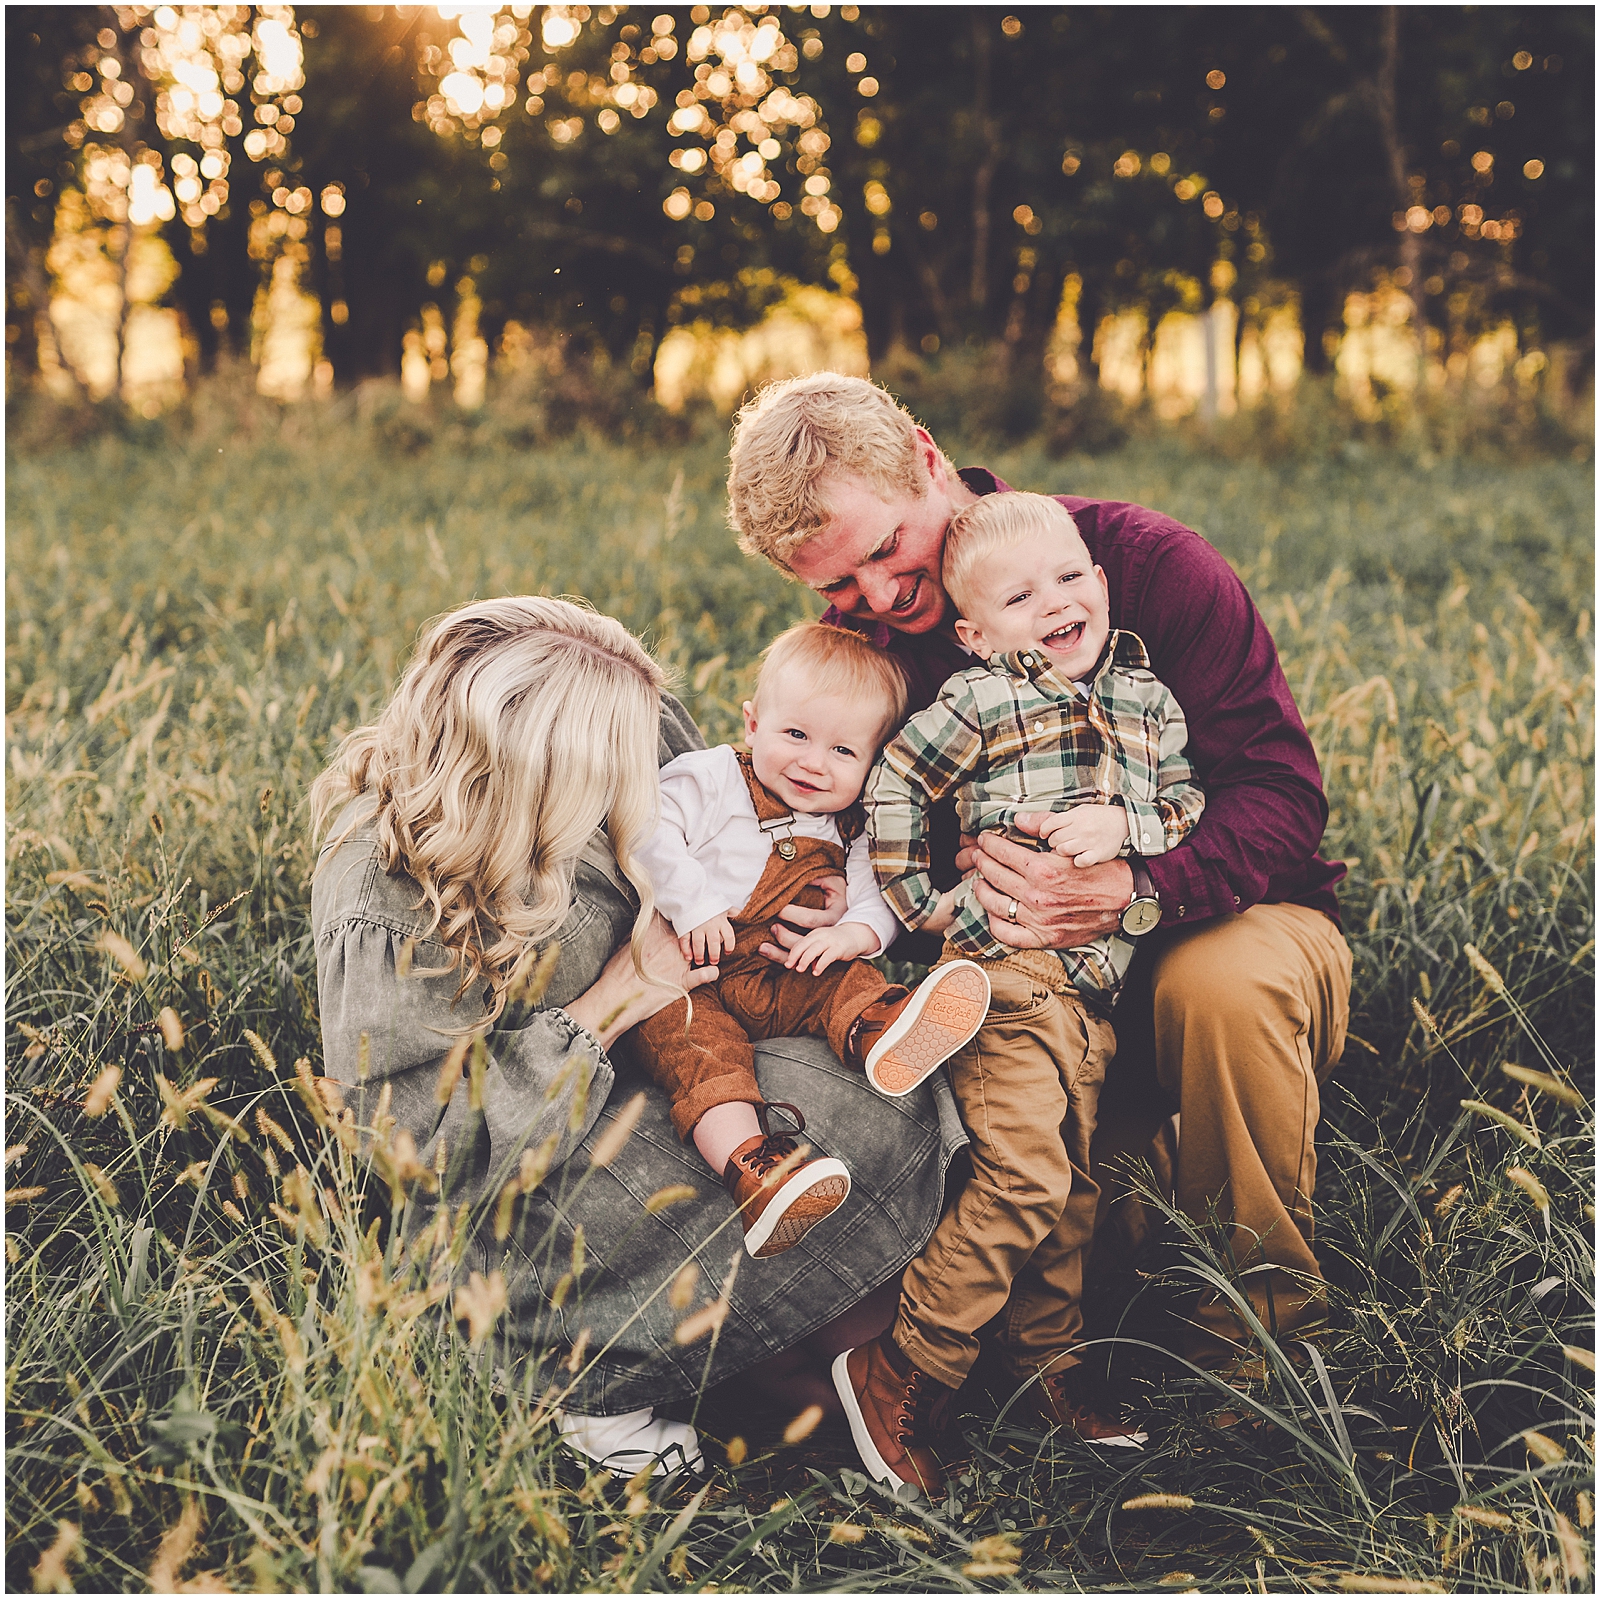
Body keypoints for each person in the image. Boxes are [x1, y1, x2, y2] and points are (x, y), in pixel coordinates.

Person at [725, 373, 1353, 1413]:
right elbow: (850, 822)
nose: (879, 599)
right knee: (1053, 1194)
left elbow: (1282, 798)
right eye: (838, 589)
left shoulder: (1136, 567)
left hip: (1231, 924)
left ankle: (1261, 1351)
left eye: (884, 550)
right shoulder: (874, 666)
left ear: (926, 460)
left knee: (1218, 988)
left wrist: (1132, 884)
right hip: (1030, 985)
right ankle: (1087, 1284)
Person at [309, 596, 967, 1478]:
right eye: (613, 769)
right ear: (525, 767)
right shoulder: (391, 892)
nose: (644, 775)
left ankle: (812, 1337)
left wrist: (795, 885)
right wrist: (620, 992)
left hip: (678, 1051)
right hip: (533, 1176)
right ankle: (589, 1379)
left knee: (888, 1084)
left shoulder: (635, 731)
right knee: (824, 1133)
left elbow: (738, 814)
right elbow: (420, 1146)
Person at [833, 492, 1204, 1494]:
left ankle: (1046, 1367)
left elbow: (1184, 800)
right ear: (972, 632)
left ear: (1099, 579)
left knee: (1071, 1189)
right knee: (1025, 1177)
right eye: (1019, 595)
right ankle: (906, 1363)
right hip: (1002, 975)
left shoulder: (1146, 701)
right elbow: (898, 783)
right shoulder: (978, 701)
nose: (1054, 601)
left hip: (1091, 992)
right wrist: (922, 903)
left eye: (1070, 577)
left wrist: (1127, 831)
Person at [630, 621, 989, 1259]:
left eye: (843, 752)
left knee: (844, 979)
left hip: (781, 970)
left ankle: (882, 1030)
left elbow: (874, 891)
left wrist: (855, 932)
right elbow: (648, 830)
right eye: (796, 735)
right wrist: (695, 906)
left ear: (873, 763)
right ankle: (758, 1170)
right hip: (687, 972)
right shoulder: (710, 778)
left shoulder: (850, 824)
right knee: (696, 1054)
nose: (813, 763)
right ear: (752, 724)